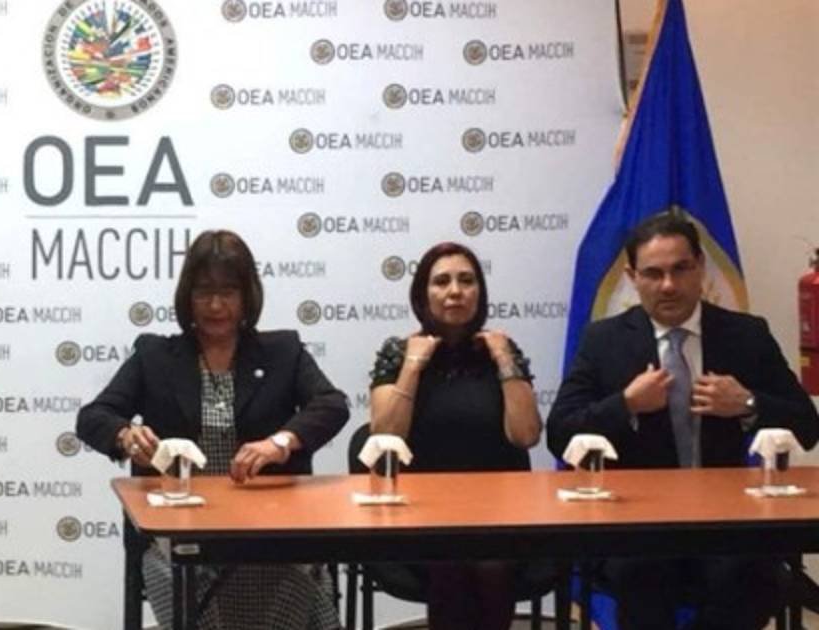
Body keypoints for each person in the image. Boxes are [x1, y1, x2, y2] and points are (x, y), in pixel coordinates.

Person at [548, 211, 819, 630]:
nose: (669, 286)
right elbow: (560, 432)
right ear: (632, 277)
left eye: (680, 269)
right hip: (638, 525)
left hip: (728, 522)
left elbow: (807, 425)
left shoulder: (745, 334)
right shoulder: (604, 341)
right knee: (642, 579)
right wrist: (626, 404)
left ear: (700, 268)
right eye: (653, 274)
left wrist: (746, 402)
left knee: (755, 581)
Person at [76, 229, 349, 630]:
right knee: (174, 573)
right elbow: (93, 416)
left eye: (228, 292)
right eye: (204, 292)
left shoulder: (283, 351)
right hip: (179, 531)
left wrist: (281, 442)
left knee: (292, 572)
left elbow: (332, 404)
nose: (216, 305)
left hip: (268, 529)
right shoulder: (155, 356)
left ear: (247, 296)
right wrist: (125, 436)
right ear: (187, 297)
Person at [369, 241, 542, 630]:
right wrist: (413, 365)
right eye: (442, 281)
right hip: (419, 516)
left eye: (466, 280)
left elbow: (526, 435)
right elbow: (385, 436)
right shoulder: (398, 352)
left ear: (480, 291)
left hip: (499, 516)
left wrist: (503, 358)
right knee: (449, 561)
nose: (455, 291)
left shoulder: (501, 350)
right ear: (422, 294)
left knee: (490, 562)